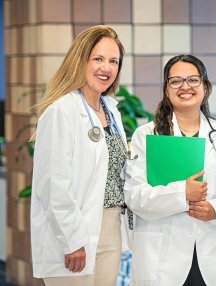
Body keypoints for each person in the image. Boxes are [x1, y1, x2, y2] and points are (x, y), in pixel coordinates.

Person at [124, 54, 216, 286]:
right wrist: (181, 194)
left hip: (212, 256)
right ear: (166, 89)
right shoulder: (146, 136)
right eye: (175, 81)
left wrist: (215, 210)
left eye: (193, 80)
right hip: (162, 260)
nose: (185, 87)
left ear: (205, 87)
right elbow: (134, 196)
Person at [31, 25, 131, 286]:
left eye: (113, 61)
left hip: (109, 228)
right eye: (98, 59)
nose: (106, 68)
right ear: (81, 60)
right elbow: (54, 184)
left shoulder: (110, 109)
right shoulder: (61, 111)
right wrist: (72, 240)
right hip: (74, 232)